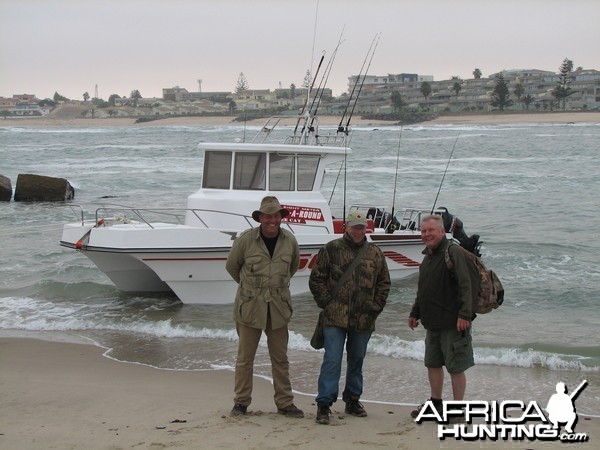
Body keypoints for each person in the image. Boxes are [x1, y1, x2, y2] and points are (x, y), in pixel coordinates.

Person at [309, 210, 390, 425]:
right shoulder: (331, 249)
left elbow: (384, 283)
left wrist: (375, 307)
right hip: (335, 318)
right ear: (346, 227)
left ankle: (353, 400)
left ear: (366, 228)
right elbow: (316, 279)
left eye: (362, 227)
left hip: (364, 319)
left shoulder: (375, 252)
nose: (358, 230)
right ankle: (324, 404)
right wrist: (327, 303)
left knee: (357, 360)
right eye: (354, 226)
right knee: (332, 360)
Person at [225, 196, 304, 418]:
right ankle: (241, 403)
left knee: (280, 358)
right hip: (250, 307)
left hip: (278, 307)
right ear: (260, 218)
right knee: (244, 359)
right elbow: (232, 267)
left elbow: (294, 267)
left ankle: (285, 403)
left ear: (281, 218)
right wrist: (252, 289)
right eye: (268, 216)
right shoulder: (246, 240)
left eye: (276, 215)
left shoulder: (290, 241)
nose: (272, 220)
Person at [408, 214, 475, 418]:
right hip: (432, 322)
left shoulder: (453, 252)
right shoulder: (428, 256)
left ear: (442, 231)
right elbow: (424, 289)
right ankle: (436, 402)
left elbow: (467, 286)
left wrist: (465, 315)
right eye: (423, 231)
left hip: (454, 323)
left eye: (431, 230)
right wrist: (415, 312)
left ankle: (457, 408)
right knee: (433, 364)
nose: (427, 234)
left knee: (455, 367)